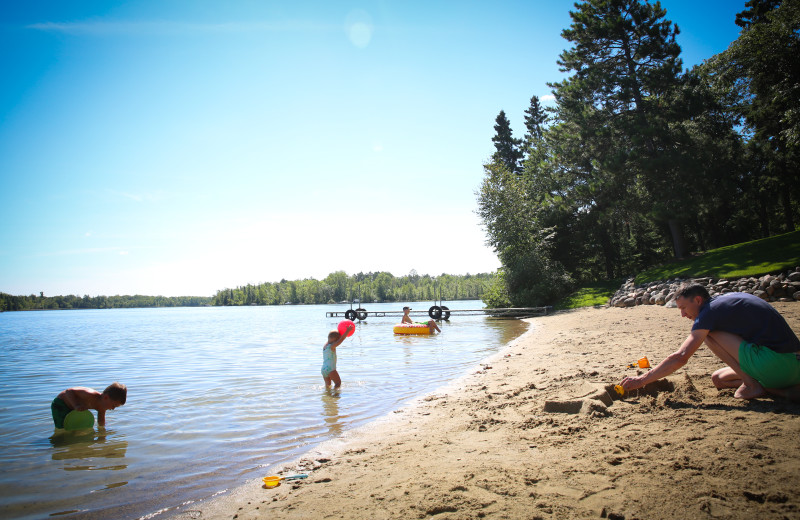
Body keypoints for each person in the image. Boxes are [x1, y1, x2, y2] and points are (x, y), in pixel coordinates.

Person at [621, 283, 800, 400]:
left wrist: (641, 380)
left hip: (779, 363)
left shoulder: (708, 313)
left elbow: (681, 357)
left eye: (683, 308)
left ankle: (752, 385)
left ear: (698, 300)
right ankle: (782, 391)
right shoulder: (725, 303)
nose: (682, 314)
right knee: (719, 379)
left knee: (708, 333)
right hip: (792, 366)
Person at [51, 382, 127, 428]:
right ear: (106, 397)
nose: (113, 409)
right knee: (61, 427)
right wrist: (76, 405)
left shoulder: (102, 408)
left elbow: (101, 421)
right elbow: (68, 391)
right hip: (60, 404)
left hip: (72, 409)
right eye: (113, 406)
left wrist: (103, 433)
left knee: (73, 427)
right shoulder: (90, 394)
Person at [322, 323, 353, 389]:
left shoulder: (325, 345)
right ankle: (335, 396)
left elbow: (335, 338)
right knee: (338, 383)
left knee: (328, 386)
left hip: (324, 369)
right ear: (335, 340)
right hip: (330, 369)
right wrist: (347, 331)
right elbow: (341, 340)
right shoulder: (332, 346)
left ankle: (328, 396)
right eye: (337, 339)